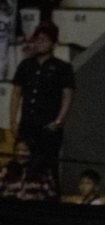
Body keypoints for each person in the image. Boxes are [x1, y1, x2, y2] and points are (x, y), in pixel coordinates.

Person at [10, 21, 73, 172]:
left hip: (48, 125)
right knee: (22, 162)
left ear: (54, 44)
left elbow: (67, 96)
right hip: (27, 123)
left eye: (44, 40)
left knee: (48, 165)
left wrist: (59, 120)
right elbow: (16, 93)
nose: (39, 43)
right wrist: (13, 120)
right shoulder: (26, 65)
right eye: (37, 39)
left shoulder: (62, 67)